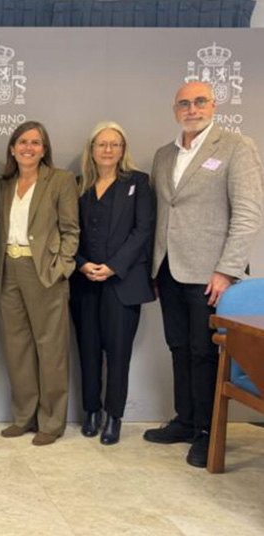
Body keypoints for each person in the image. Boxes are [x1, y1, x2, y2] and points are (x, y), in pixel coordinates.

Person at [145, 81, 263, 468]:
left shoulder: (235, 146)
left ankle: (207, 432)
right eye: (184, 103)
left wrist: (227, 270)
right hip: (169, 269)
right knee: (179, 347)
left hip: (210, 274)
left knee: (205, 352)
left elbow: (248, 213)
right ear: (174, 109)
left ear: (213, 105)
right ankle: (185, 420)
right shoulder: (164, 155)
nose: (191, 109)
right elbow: (163, 212)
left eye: (199, 102)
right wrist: (155, 267)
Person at [0, 121, 79, 446]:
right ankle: (24, 417)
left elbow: (71, 230)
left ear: (44, 149)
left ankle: (51, 422)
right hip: (7, 270)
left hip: (43, 271)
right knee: (17, 348)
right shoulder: (3, 184)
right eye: (22, 142)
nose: (28, 147)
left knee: (50, 348)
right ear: (12, 149)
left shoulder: (61, 180)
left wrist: (61, 268)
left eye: (35, 142)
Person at [69, 121, 155, 445]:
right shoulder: (78, 185)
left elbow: (143, 231)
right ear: (91, 150)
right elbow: (68, 231)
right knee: (88, 350)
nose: (108, 150)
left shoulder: (138, 182)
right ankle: (91, 411)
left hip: (123, 282)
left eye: (114, 144)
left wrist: (113, 267)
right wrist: (81, 264)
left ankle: (114, 417)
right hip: (85, 282)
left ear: (123, 150)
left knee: (118, 354)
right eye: (101, 144)